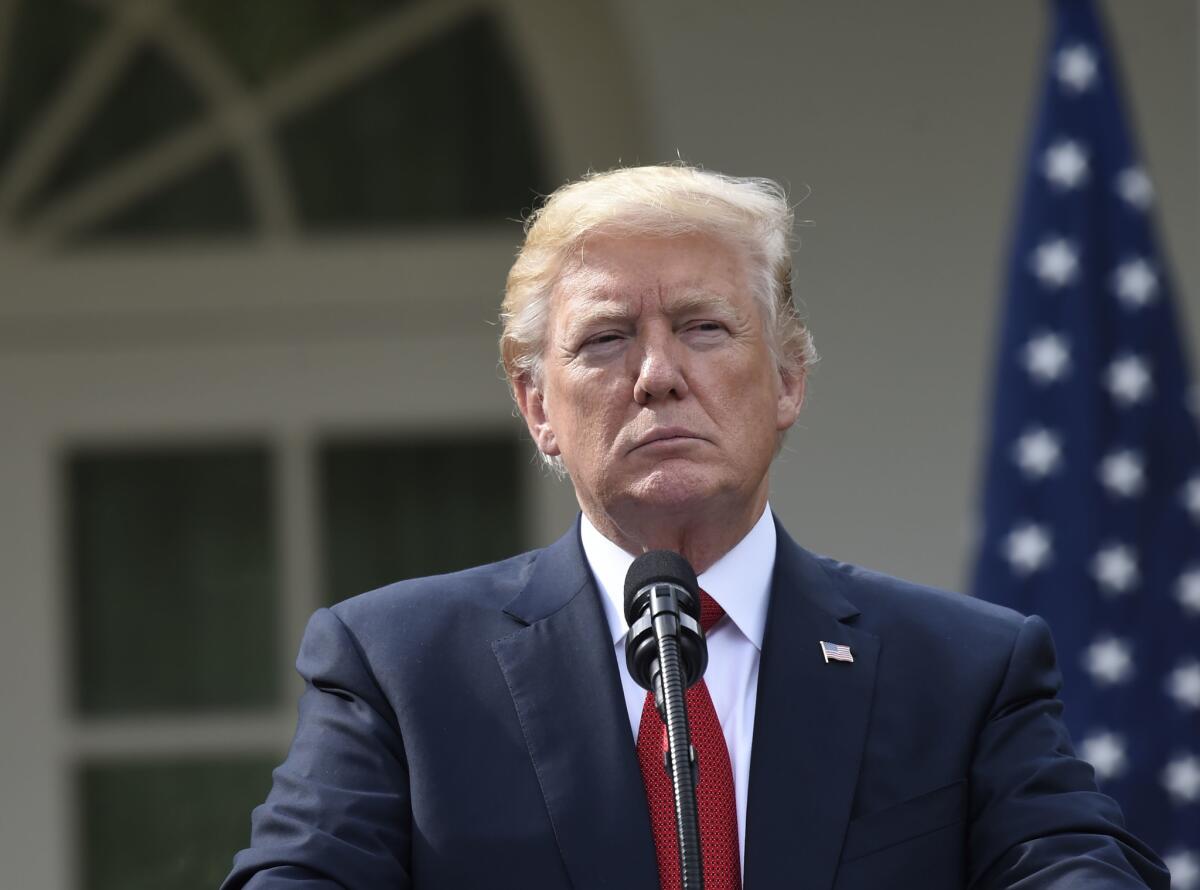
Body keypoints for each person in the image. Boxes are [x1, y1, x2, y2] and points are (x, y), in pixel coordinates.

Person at [223, 165, 1168, 889]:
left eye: (704, 328)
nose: (658, 375)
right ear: (536, 406)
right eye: (605, 340)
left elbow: (1075, 867)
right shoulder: (398, 671)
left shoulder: (963, 673)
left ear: (790, 377)